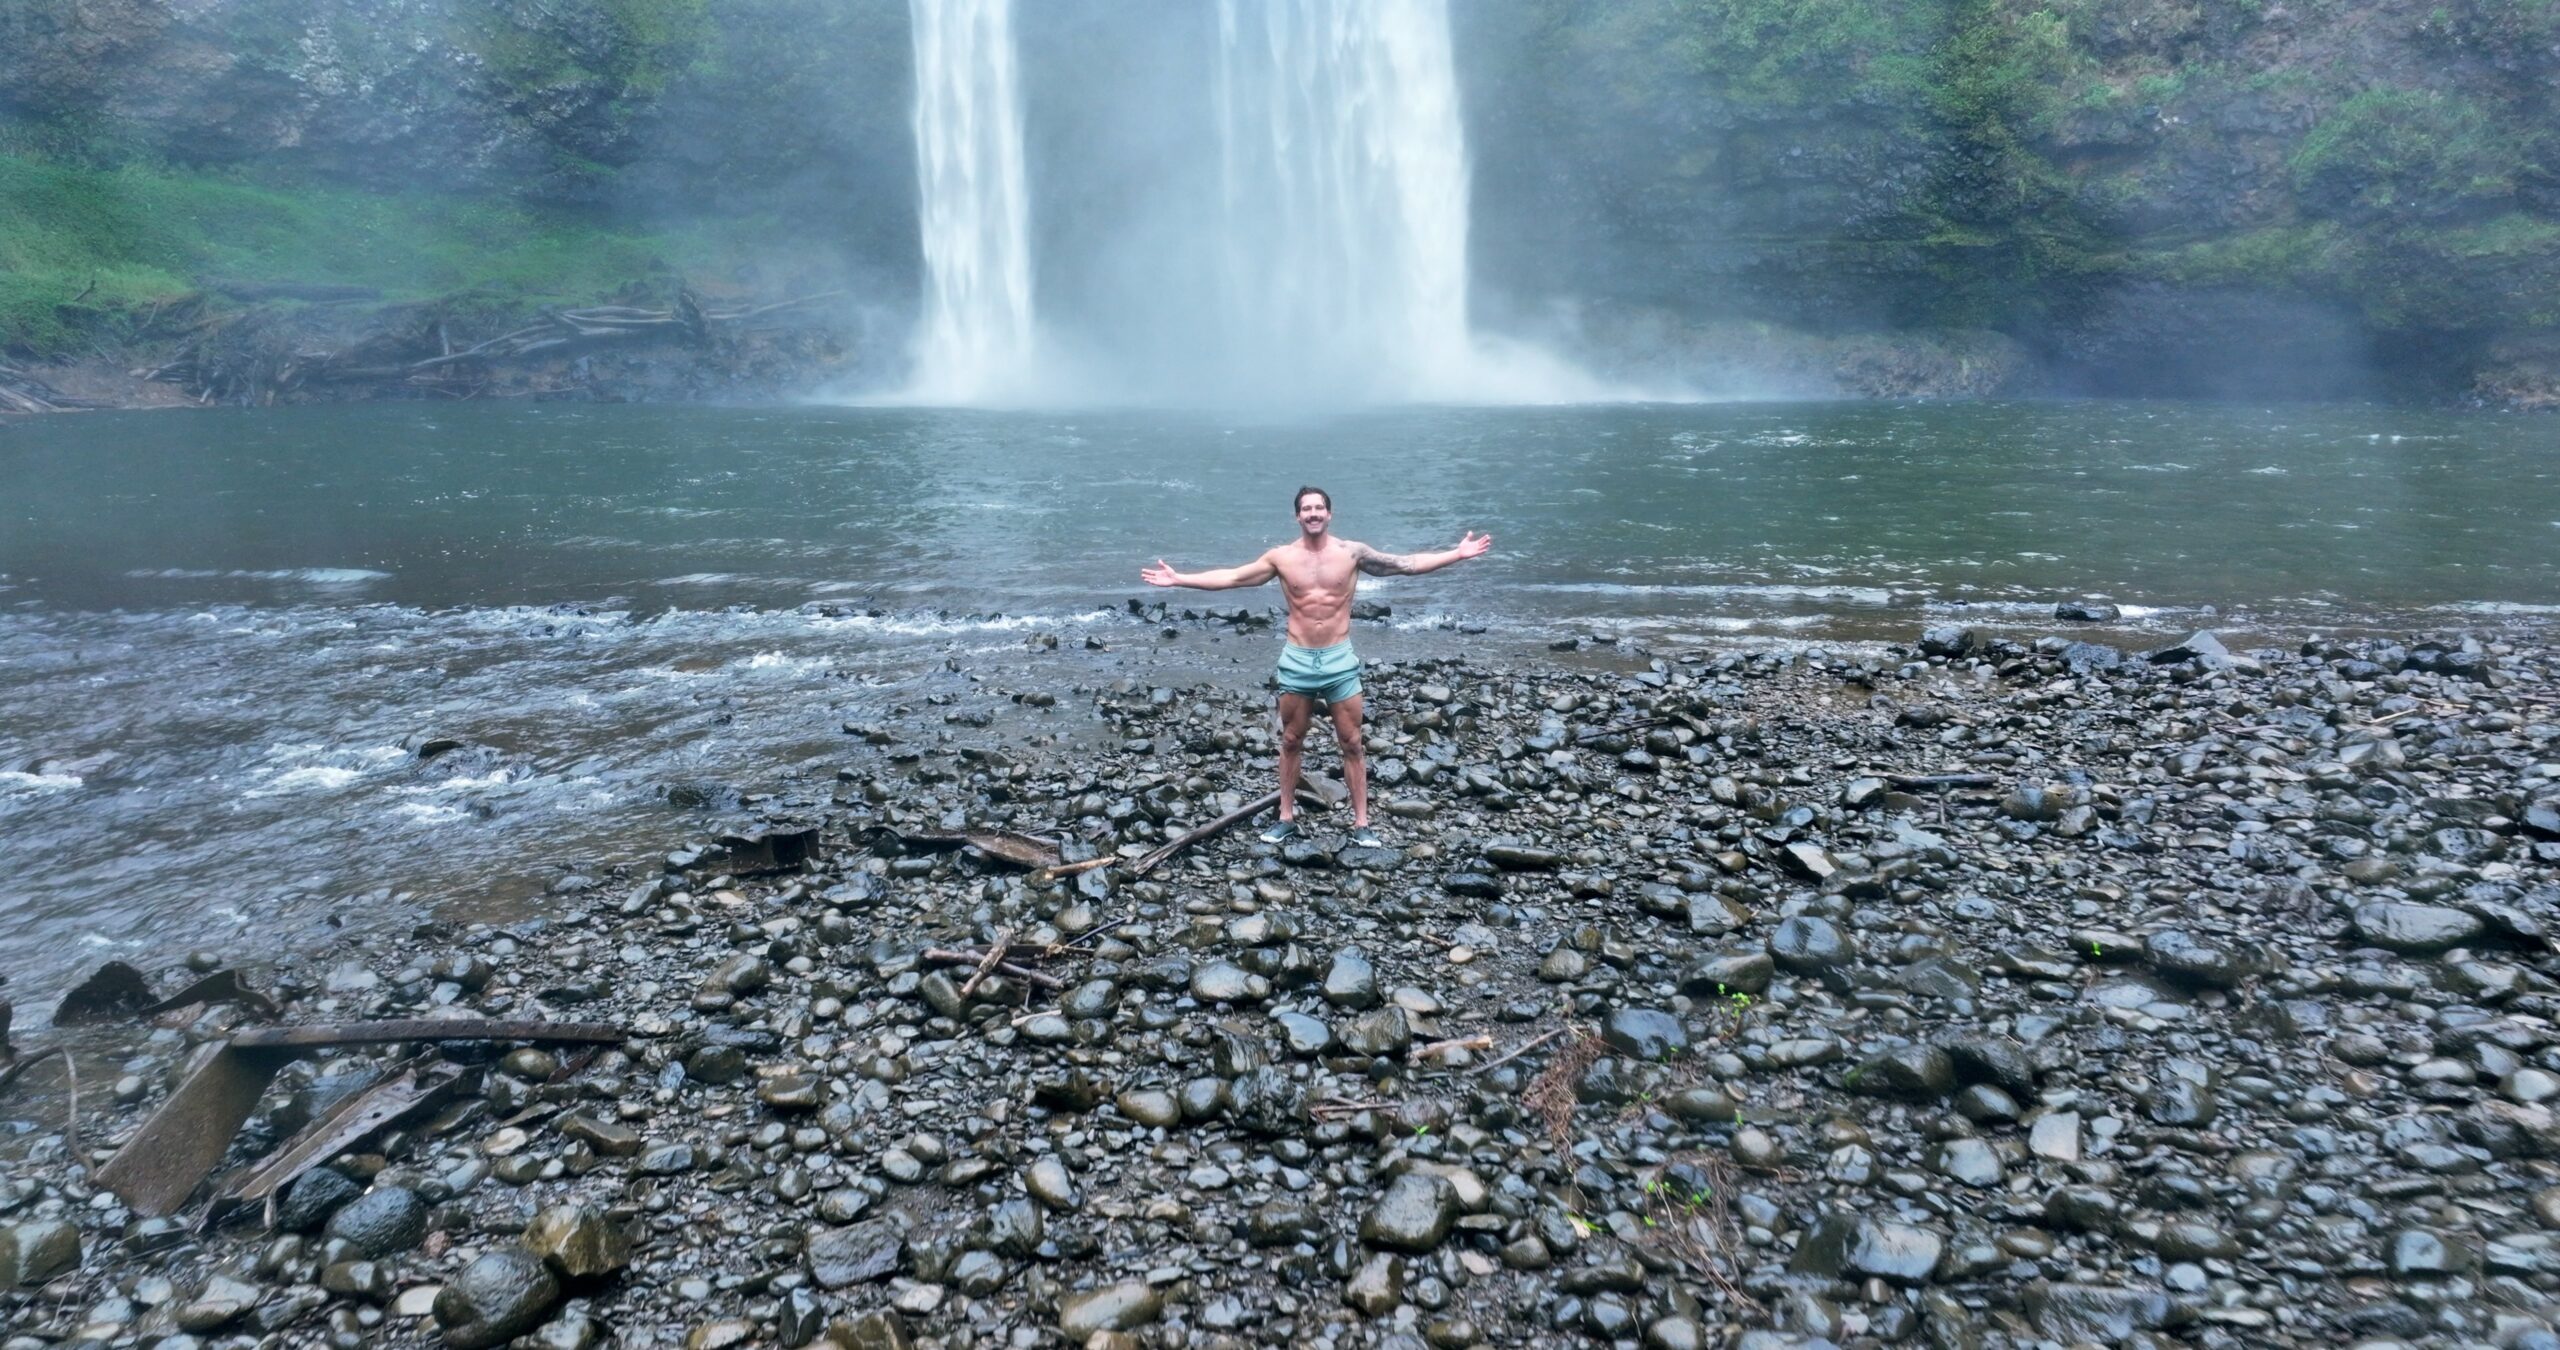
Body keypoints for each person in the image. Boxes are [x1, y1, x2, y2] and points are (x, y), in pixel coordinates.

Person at [1142, 485, 1492, 845]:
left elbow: (1407, 565)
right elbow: (1232, 577)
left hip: (1339, 659)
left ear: (1329, 514)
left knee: (1352, 742)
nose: (1313, 513)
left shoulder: (1352, 553)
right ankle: (1286, 817)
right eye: (1306, 508)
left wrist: (1457, 554)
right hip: (1298, 660)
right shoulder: (1281, 558)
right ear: (1298, 516)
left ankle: (1361, 824)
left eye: (1318, 508)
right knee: (1291, 740)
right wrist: (1180, 579)